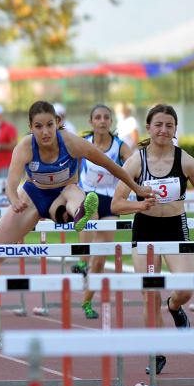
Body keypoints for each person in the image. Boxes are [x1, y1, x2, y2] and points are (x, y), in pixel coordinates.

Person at [0, 101, 154, 269]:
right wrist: (14, 199)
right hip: (34, 197)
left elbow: (110, 165)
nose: (45, 132)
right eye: (39, 126)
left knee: (74, 193)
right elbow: (11, 184)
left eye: (50, 125)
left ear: (57, 122)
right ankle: (22, 229)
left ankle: (79, 213)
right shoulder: (25, 147)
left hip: (64, 195)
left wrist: (137, 187)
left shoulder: (71, 143)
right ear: (31, 127)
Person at [111, 103, 194, 375]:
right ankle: (156, 351)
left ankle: (175, 306)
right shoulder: (136, 161)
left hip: (175, 227)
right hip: (145, 229)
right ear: (148, 128)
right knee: (148, 295)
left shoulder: (185, 160)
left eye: (169, 125)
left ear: (175, 129)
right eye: (158, 125)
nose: (164, 130)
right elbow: (117, 204)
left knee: (186, 288)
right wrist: (139, 206)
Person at [73, 104, 134, 319]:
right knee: (90, 215)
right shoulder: (82, 144)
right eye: (97, 117)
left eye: (106, 117)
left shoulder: (120, 146)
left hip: (110, 200)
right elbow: (69, 164)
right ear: (91, 122)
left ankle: (87, 301)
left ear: (111, 121)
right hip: (87, 194)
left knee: (100, 259)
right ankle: (82, 260)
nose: (102, 121)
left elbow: (135, 164)